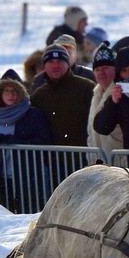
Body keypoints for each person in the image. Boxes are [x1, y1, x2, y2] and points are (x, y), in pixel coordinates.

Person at [0, 72, 52, 213]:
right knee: (4, 212)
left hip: (27, 172)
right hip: (2, 173)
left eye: (15, 91)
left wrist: (15, 141)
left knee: (28, 210)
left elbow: (43, 139)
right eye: (7, 91)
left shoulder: (33, 113)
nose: (11, 95)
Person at [30, 43, 95, 187]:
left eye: (60, 61)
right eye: (50, 62)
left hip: (83, 160)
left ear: (68, 64)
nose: (55, 65)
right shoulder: (39, 95)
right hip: (52, 163)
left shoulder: (86, 87)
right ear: (44, 66)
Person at [94, 44, 129, 175]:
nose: (128, 75)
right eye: (124, 71)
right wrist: (113, 102)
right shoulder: (120, 96)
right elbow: (101, 127)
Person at [88, 42, 122, 161]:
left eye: (106, 68)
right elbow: (90, 134)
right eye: (97, 69)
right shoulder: (95, 95)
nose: (101, 73)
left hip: (119, 165)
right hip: (99, 165)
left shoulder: (121, 93)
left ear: (115, 70)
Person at [31, 34, 95, 91]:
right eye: (60, 53)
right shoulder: (41, 79)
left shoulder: (89, 76)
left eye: (68, 52)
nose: (64, 56)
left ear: (75, 55)